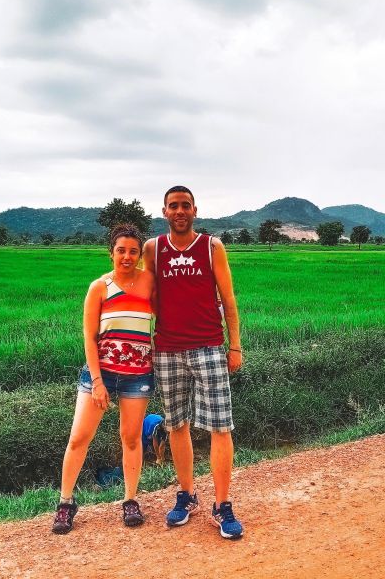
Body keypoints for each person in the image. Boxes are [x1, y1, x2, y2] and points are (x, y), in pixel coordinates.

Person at [142, 185, 245, 539]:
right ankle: (186, 495)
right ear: (165, 211)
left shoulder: (211, 247)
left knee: (220, 426)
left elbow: (228, 299)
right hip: (167, 349)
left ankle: (222, 504)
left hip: (209, 347)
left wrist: (235, 347)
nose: (180, 211)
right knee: (176, 424)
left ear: (195, 210)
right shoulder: (152, 249)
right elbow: (148, 296)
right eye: (174, 206)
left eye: (185, 205)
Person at [53, 223, 156, 533]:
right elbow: (89, 337)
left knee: (131, 438)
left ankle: (130, 500)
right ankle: (66, 503)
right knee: (79, 437)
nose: (127, 257)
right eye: (121, 250)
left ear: (140, 255)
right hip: (101, 374)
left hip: (138, 375)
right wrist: (97, 382)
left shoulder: (150, 283)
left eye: (133, 252)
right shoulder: (99, 287)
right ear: (111, 253)